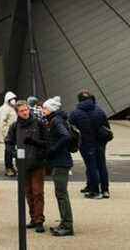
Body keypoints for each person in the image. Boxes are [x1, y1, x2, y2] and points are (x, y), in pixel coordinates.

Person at [6, 100, 48, 233]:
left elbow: (47, 142)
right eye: (22, 111)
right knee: (28, 193)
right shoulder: (14, 126)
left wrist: (38, 149)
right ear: (17, 112)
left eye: (26, 110)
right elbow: (8, 141)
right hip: (23, 164)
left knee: (38, 193)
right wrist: (14, 152)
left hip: (37, 163)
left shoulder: (39, 123)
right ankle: (33, 218)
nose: (25, 112)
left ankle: (39, 220)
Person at [41, 97, 74, 237]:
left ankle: (67, 225)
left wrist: (53, 149)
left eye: (45, 108)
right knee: (60, 194)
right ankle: (64, 222)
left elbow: (65, 136)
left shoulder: (56, 120)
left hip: (61, 162)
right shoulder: (57, 119)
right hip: (61, 161)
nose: (43, 110)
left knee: (61, 194)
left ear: (51, 109)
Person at [69, 91, 110, 199]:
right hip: (100, 143)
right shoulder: (99, 111)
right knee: (101, 165)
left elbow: (71, 130)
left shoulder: (75, 113)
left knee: (91, 166)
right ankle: (105, 190)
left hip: (86, 143)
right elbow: (106, 127)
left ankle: (94, 190)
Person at [0, 91, 18, 177]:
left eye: (14, 99)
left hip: (14, 133)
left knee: (13, 151)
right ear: (8, 100)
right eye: (11, 99)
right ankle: (8, 168)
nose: (14, 101)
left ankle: (12, 167)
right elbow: (2, 123)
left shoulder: (12, 108)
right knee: (9, 152)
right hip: (9, 134)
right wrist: (6, 134)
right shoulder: (4, 109)